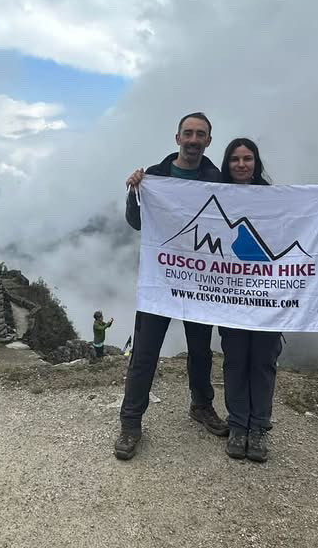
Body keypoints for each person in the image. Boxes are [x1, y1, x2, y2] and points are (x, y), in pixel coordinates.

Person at [217, 137, 318, 462]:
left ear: (255, 163)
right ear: (227, 163)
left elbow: (301, 228)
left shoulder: (273, 199)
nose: (241, 164)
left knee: (263, 363)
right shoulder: (216, 196)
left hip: (270, 301)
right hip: (231, 301)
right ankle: (238, 424)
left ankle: (259, 428)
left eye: (247, 158)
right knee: (235, 362)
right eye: (235, 159)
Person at [115, 111, 230, 461]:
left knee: (200, 350)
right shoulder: (156, 176)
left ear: (209, 140)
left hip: (200, 282)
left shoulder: (217, 178)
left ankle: (201, 405)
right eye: (188, 133)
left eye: (201, 134)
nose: (194, 140)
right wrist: (134, 191)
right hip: (161, 281)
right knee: (145, 353)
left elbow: (260, 210)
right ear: (177, 138)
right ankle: (130, 423)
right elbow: (137, 223)